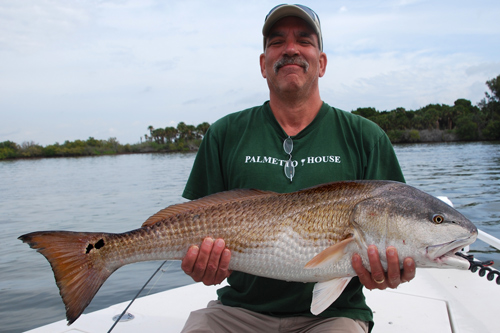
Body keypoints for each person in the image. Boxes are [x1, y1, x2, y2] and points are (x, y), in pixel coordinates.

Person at [180, 4, 415, 332]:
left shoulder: (366, 138)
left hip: (336, 314)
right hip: (238, 310)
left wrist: (383, 273)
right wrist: (201, 264)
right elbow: (191, 225)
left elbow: (394, 225)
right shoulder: (224, 134)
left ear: (322, 63)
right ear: (263, 64)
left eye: (304, 40)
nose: (290, 49)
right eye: (277, 42)